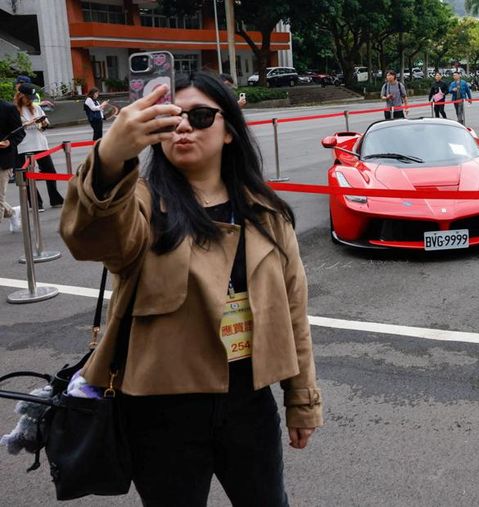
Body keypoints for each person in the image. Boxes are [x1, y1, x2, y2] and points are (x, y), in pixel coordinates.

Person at [59, 72, 323, 504]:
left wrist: (302, 399)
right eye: (172, 118)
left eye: (200, 116)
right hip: (160, 409)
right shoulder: (139, 203)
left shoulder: (267, 214)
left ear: (230, 133)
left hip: (249, 404)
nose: (184, 126)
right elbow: (91, 239)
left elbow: (294, 311)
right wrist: (110, 158)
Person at [15, 83, 64, 209]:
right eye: (28, 97)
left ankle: (55, 199)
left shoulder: (36, 108)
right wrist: (27, 123)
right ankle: (36, 203)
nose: (31, 100)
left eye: (32, 97)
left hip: (40, 143)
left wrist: (42, 123)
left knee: (50, 172)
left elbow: (45, 125)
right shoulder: (14, 110)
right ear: (21, 96)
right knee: (27, 176)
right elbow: (14, 128)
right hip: (23, 146)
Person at [0, 98, 24, 226]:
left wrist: (9, 143)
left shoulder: (8, 108)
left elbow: (20, 133)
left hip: (3, 160)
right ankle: (11, 212)